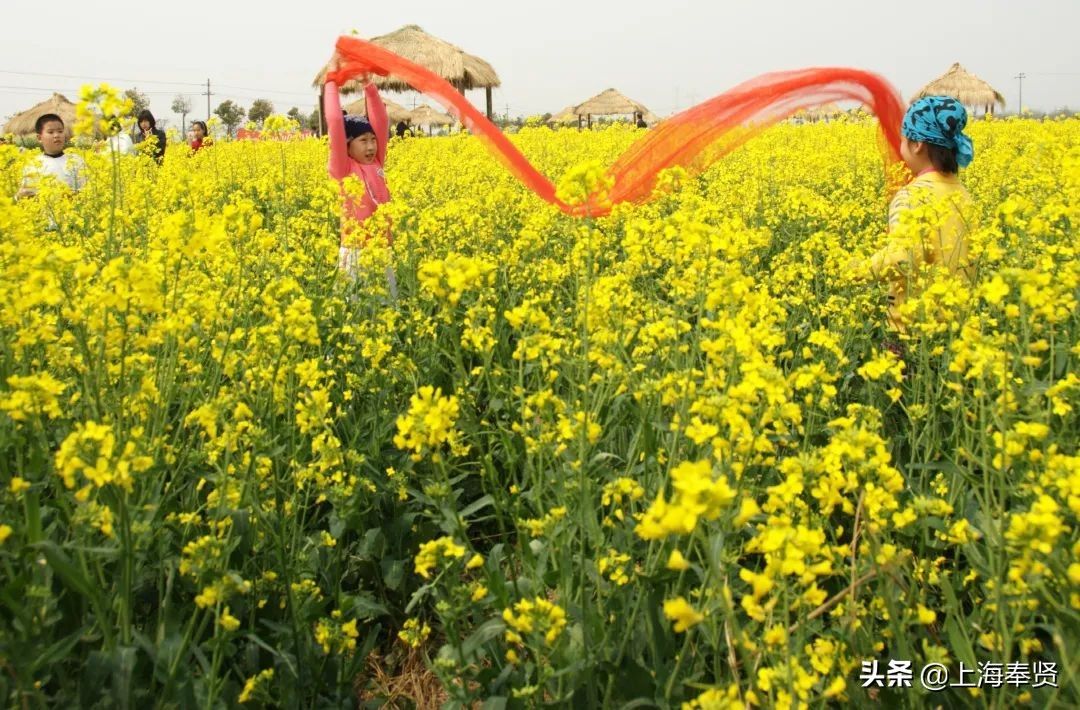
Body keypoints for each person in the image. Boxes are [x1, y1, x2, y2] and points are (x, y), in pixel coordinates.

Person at [853, 96, 976, 335]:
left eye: (902, 140)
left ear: (917, 144)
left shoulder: (911, 196)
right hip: (956, 327)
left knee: (905, 372)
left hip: (911, 327)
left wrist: (859, 270)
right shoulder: (964, 196)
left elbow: (903, 258)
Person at [322, 51, 392, 284]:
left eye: (373, 140)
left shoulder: (377, 161)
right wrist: (331, 80)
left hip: (382, 249)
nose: (372, 146)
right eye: (363, 141)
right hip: (355, 251)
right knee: (356, 311)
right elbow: (333, 120)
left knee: (385, 310)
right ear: (347, 144)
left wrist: (368, 85)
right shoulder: (343, 167)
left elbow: (381, 121)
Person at [17, 113, 86, 199]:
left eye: (60, 131)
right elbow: (26, 196)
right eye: (50, 132)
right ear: (39, 138)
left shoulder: (77, 160)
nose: (57, 135)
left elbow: (88, 190)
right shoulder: (32, 166)